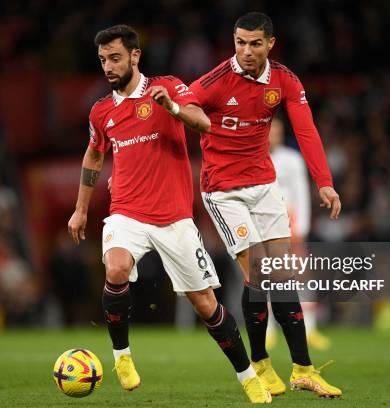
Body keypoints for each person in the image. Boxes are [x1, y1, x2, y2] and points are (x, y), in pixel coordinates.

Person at [67, 25, 271, 403]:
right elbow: (95, 154)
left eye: (115, 58)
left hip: (174, 220)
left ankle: (248, 376)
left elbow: (204, 122)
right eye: (102, 60)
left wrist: (171, 108)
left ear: (135, 56)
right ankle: (122, 357)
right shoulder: (101, 111)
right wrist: (80, 209)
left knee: (207, 306)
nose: (108, 67)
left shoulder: (169, 87)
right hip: (126, 213)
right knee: (115, 269)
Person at [189, 12, 342, 398]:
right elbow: (179, 112)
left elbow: (305, 129)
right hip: (223, 190)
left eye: (254, 43)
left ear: (270, 44)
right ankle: (260, 362)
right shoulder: (214, 82)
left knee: (284, 274)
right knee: (259, 274)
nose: (245, 51)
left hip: (264, 185)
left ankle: (303, 370)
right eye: (240, 42)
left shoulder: (285, 80)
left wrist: (324, 183)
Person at [268, 116, 330, 351]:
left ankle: (311, 328)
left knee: (301, 276)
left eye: (277, 132)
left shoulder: (292, 160)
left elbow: (302, 193)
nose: (273, 136)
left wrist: (301, 228)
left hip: (291, 226)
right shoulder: (254, 158)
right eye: (270, 131)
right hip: (265, 227)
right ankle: (269, 331)